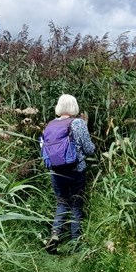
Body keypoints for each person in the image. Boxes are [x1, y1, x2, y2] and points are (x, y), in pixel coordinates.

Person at [43, 94, 96, 253]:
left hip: (56, 172)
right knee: (75, 204)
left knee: (61, 202)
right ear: (74, 107)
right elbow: (90, 150)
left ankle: (55, 234)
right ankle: (76, 243)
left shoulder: (51, 124)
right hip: (76, 171)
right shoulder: (78, 123)